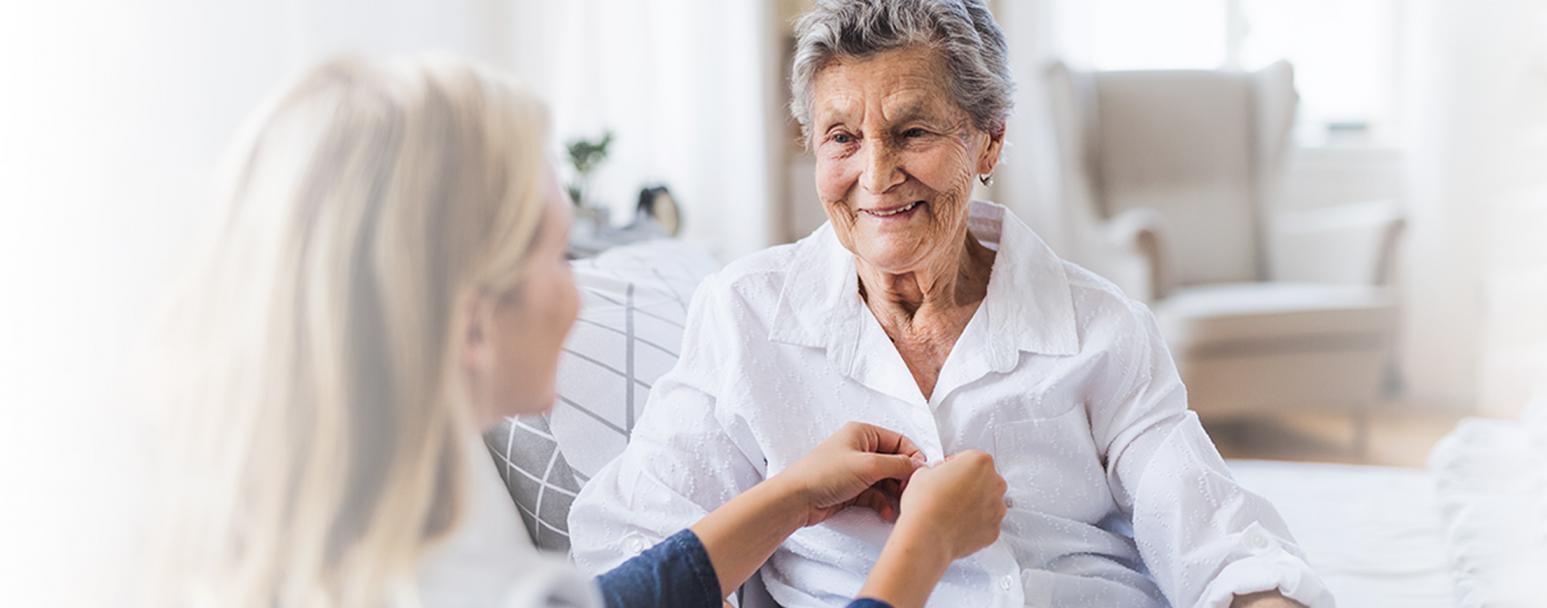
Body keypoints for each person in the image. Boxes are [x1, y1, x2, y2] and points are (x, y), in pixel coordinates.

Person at [146, 54, 1007, 608]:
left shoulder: (330, 549)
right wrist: (925, 544)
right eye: (558, 257)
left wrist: (789, 498)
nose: (579, 295)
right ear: (471, 322)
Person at [569, 1, 1331, 606]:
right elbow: (630, 548)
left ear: (989, 140)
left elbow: (1221, 545)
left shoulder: (1101, 328)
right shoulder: (744, 316)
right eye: (842, 138)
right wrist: (788, 499)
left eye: (913, 132)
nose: (876, 175)